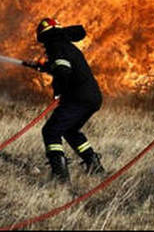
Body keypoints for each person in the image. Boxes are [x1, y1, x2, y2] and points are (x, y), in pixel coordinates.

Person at [22, 17, 105, 183]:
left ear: (45, 36)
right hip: (92, 97)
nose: (44, 45)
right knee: (70, 130)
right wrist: (43, 67)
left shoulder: (56, 46)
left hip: (78, 97)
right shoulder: (65, 45)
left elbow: (62, 70)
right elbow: (62, 66)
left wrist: (58, 92)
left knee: (51, 131)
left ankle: (60, 177)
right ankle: (94, 165)